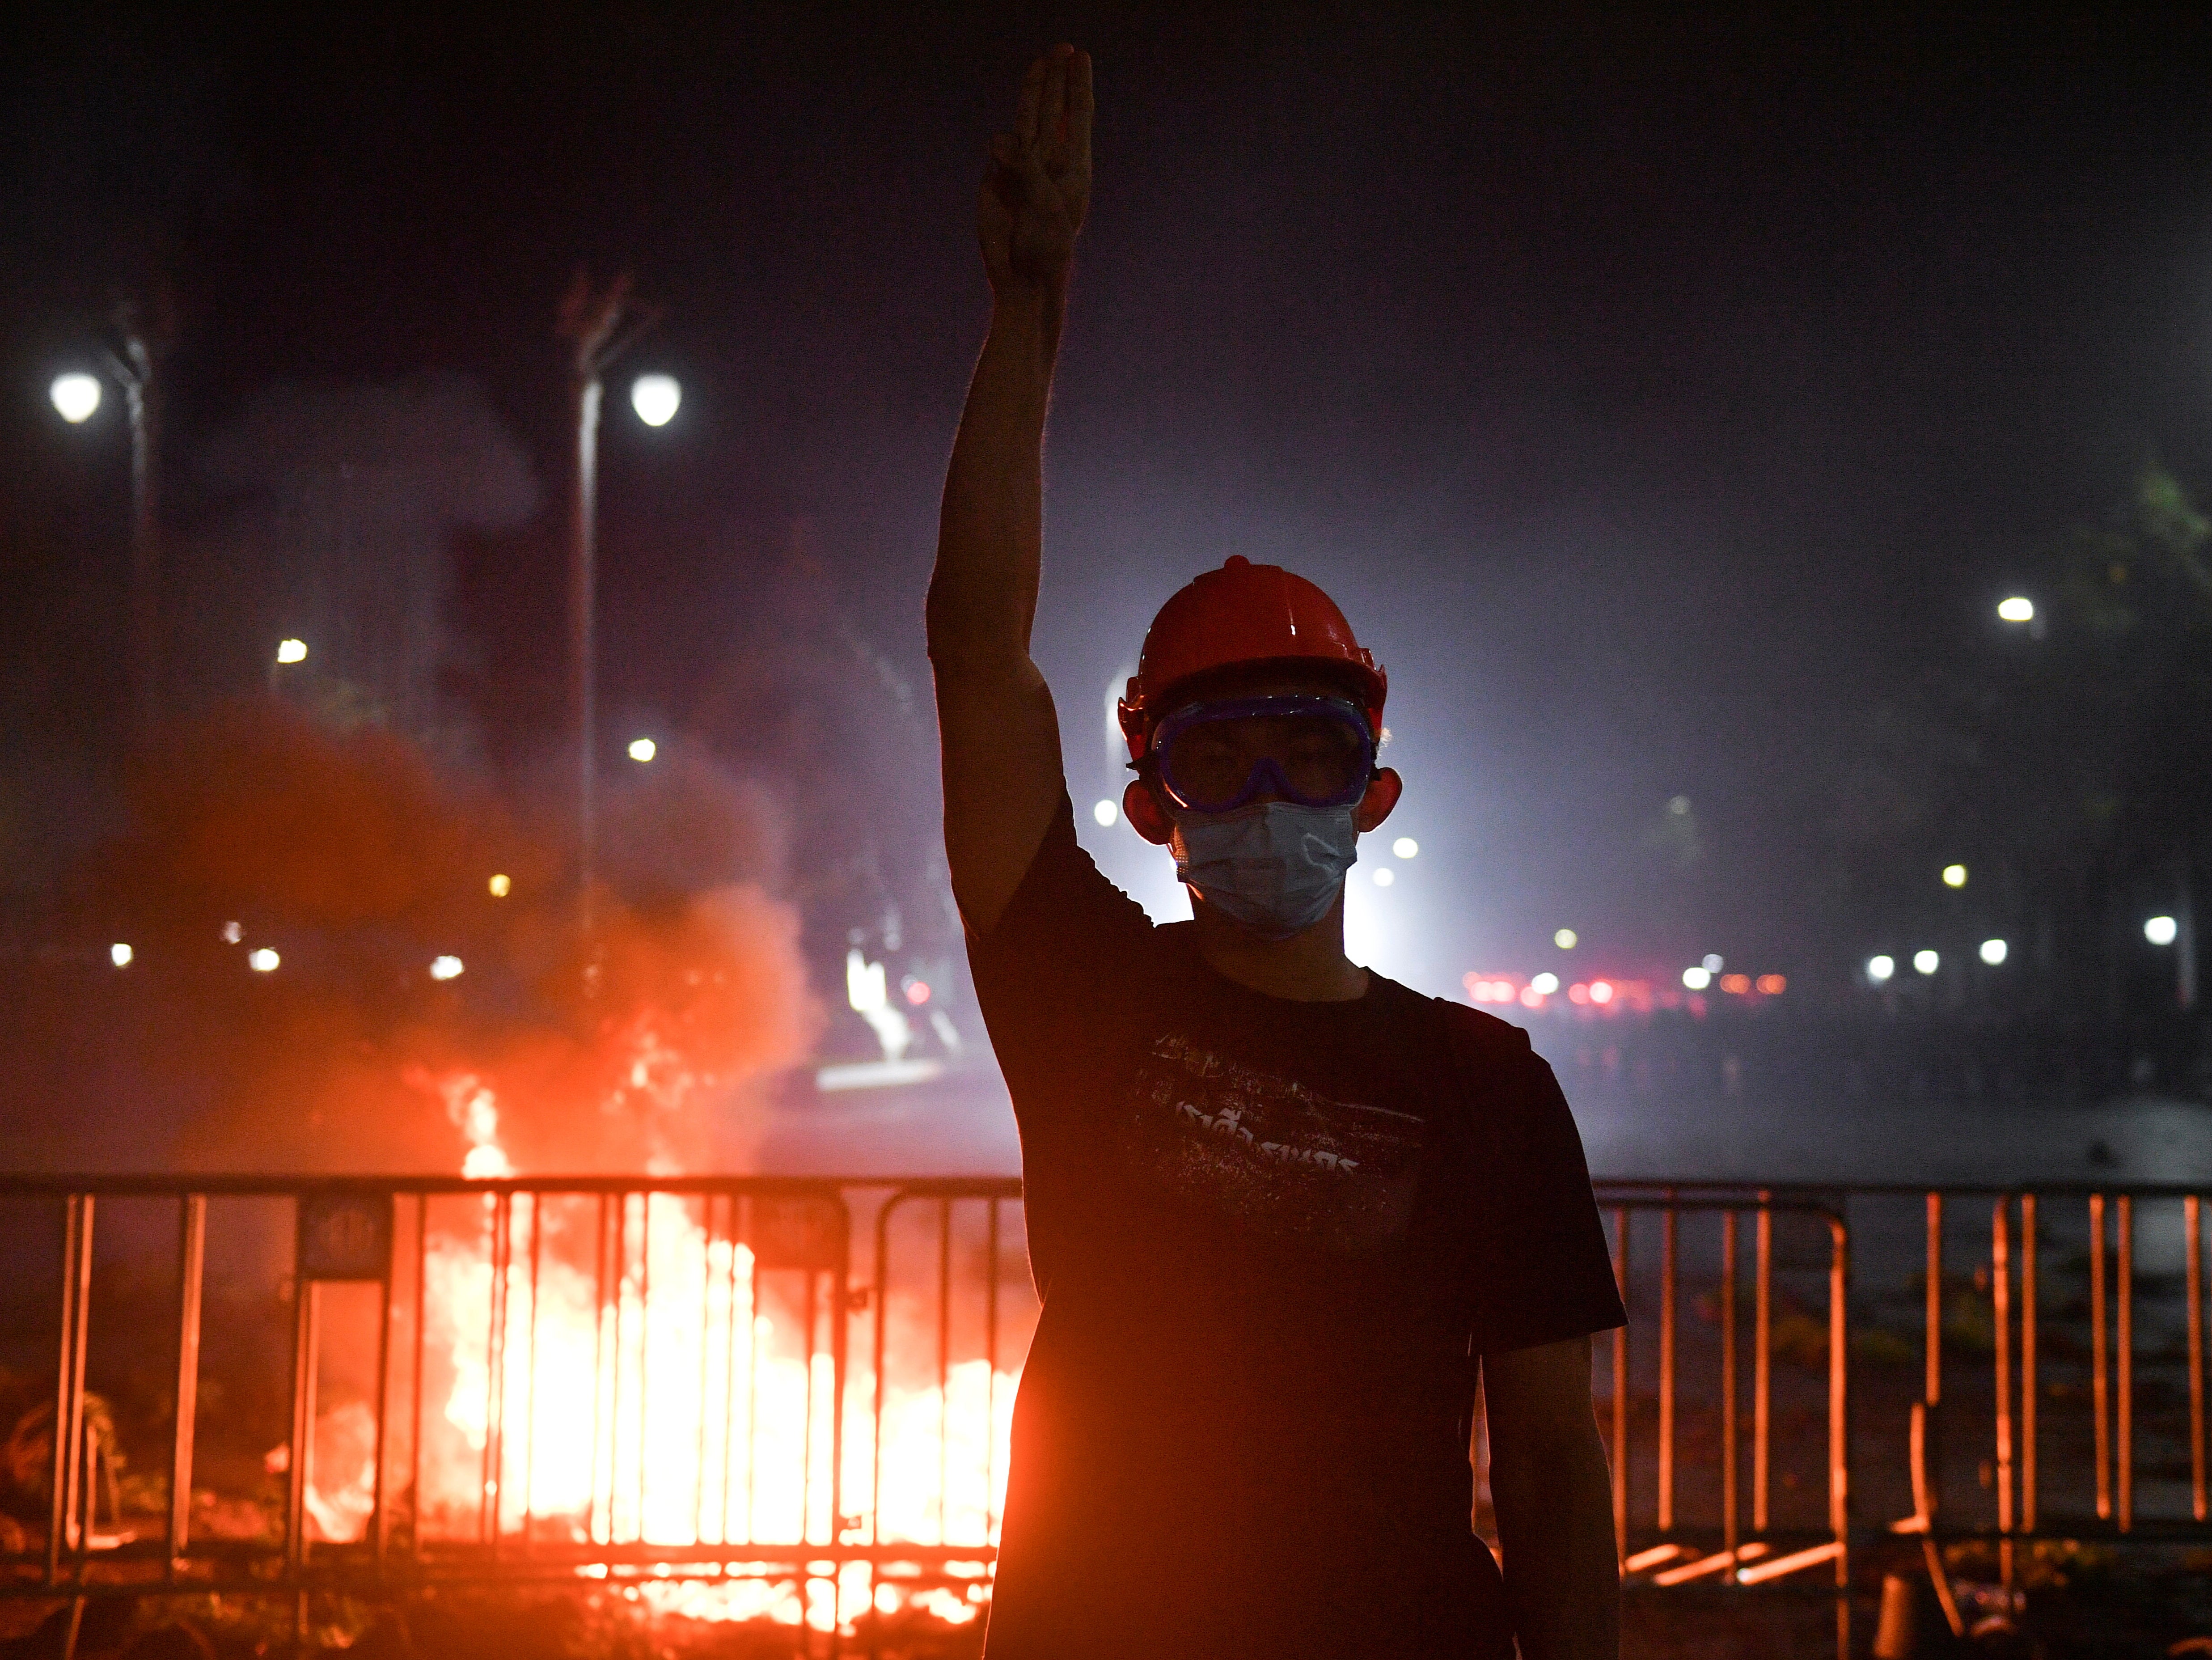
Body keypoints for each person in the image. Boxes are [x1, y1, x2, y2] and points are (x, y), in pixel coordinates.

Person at [926, 45, 1625, 1660]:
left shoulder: (1489, 1088)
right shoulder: (1079, 990)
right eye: (1212, 752)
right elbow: (975, 651)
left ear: (1372, 792)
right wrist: (1027, 312)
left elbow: (1550, 1458)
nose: (1263, 790)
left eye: (1306, 748)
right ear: (1149, 804)